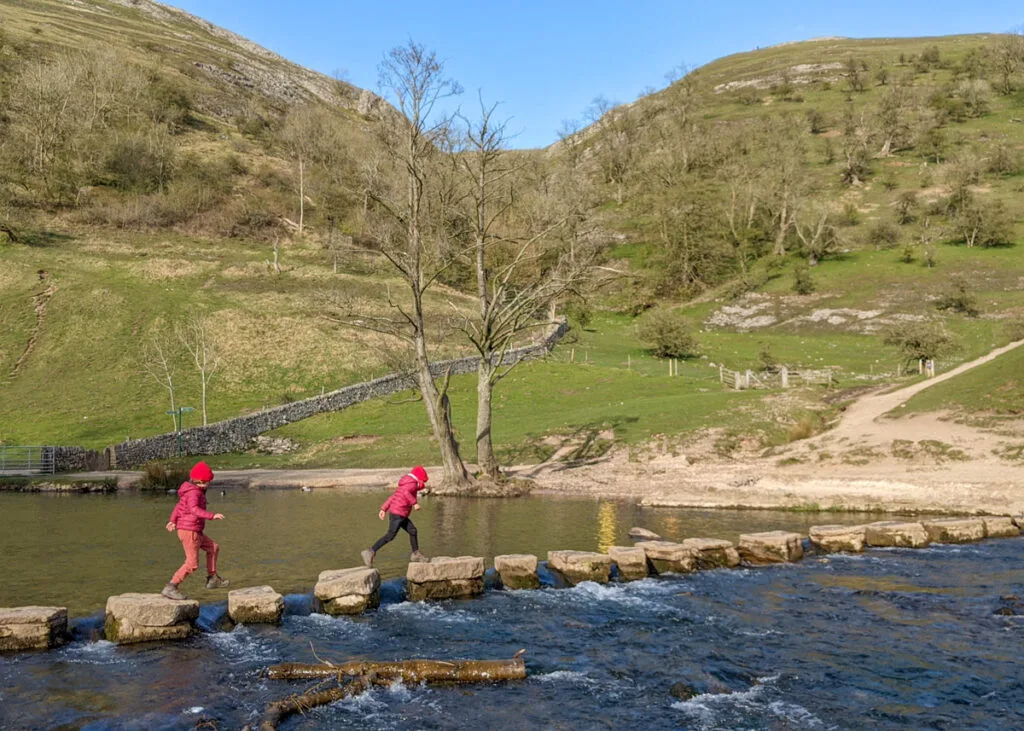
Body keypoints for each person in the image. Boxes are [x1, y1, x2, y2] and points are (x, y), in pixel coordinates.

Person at [161, 461, 228, 600]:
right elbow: (194, 510)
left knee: (213, 547)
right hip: (189, 531)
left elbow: (178, 507)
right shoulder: (194, 493)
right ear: (201, 481)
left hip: (193, 530)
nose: (210, 484)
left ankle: (212, 578)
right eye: (209, 481)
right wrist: (212, 516)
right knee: (192, 564)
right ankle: (171, 587)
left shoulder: (191, 490)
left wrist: (172, 520)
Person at [362, 466, 429, 566]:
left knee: (412, 530)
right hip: (398, 514)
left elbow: (394, 496)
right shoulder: (410, 485)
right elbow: (406, 493)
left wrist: (383, 509)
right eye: (422, 480)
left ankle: (415, 553)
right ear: (418, 478)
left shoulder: (406, 483)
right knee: (390, 536)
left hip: (399, 513)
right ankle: (370, 551)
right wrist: (414, 503)